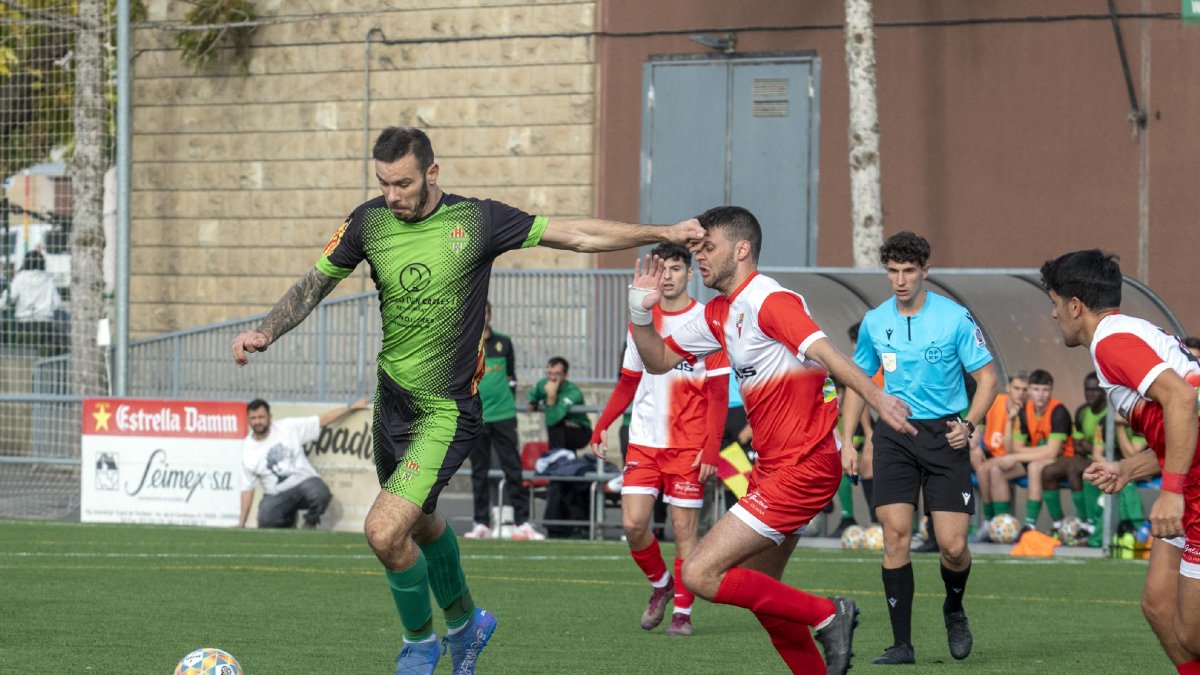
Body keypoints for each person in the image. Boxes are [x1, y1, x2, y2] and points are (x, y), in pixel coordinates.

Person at [230, 126, 705, 675]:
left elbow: (573, 234)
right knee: (423, 523)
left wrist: (662, 230)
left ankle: (420, 645)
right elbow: (316, 281)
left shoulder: (477, 220)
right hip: (392, 404)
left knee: (384, 532)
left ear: (432, 173)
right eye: (383, 183)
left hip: (445, 410)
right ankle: (468, 624)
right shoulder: (369, 221)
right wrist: (266, 331)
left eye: (403, 183)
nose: (392, 196)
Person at [626, 205, 916, 675]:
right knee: (766, 597)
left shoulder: (769, 301)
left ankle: (829, 613)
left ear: (741, 250)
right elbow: (658, 360)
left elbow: (828, 353)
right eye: (695, 248)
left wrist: (877, 398)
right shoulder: (721, 311)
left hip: (803, 466)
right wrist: (641, 312)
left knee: (700, 573)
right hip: (775, 468)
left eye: (708, 247)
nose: (698, 256)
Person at [839, 231, 998, 666]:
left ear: (926, 270)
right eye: (893, 271)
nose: (901, 280)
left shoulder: (955, 318)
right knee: (895, 535)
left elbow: (987, 380)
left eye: (909, 271)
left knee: (952, 547)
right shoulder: (875, 321)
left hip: (945, 435)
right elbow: (857, 380)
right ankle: (902, 645)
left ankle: (954, 607)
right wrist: (849, 437)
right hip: (894, 434)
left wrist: (968, 425)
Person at [1040, 249, 1200, 673]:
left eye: (1054, 304)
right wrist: (1129, 468)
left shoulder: (1112, 342)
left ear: (1075, 306)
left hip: (1192, 491)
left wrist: (1168, 493)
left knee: (1193, 634)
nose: (1054, 315)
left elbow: (1183, 400)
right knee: (1159, 605)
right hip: (1190, 485)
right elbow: (1183, 424)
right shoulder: (1126, 333)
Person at [589, 242, 727, 638]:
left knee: (684, 533)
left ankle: (683, 613)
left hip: (688, 446)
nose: (667, 276)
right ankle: (661, 585)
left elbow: (718, 393)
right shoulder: (642, 323)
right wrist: (602, 426)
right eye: (661, 268)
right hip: (644, 444)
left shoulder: (706, 322)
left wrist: (712, 449)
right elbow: (628, 382)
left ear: (689, 274)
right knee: (633, 524)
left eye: (676, 268)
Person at [463, 302, 544, 542]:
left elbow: (512, 378)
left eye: (485, 312)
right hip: (476, 417)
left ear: (490, 315)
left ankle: (523, 522)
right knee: (479, 471)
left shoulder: (504, 342)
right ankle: (480, 523)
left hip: (504, 416)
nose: (482, 316)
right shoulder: (466, 342)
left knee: (513, 469)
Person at [238, 397, 371, 529]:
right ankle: (288, 523)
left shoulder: (288, 427)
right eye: (253, 418)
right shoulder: (248, 450)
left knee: (320, 493)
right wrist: (242, 523)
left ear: (270, 416)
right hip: (275, 494)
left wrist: (351, 407)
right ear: (248, 419)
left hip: (303, 483)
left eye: (261, 417)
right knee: (266, 520)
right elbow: (247, 488)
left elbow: (321, 420)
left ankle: (310, 523)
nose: (257, 422)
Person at [1073, 371, 1148, 547]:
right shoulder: (1104, 422)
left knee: (1125, 483)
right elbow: (1098, 454)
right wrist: (1109, 467)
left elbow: (1133, 457)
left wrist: (1120, 427)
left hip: (1144, 468)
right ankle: (1093, 525)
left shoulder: (1142, 420)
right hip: (1116, 466)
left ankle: (1136, 528)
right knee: (1094, 476)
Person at [1002, 369, 1074, 532]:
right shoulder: (1024, 411)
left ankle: (1030, 524)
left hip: (1065, 458)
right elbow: (1014, 448)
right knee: (994, 469)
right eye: (1036, 390)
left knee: (1035, 467)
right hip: (1038, 457)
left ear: (1051, 391)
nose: (1040, 395)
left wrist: (1015, 456)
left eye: (1045, 390)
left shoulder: (1058, 411)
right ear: (1030, 391)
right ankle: (995, 522)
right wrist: (1010, 422)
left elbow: (1053, 452)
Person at [973, 371, 1030, 540]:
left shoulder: (1027, 411)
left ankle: (993, 521)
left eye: (1025, 390)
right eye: (1017, 388)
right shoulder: (996, 402)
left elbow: (1012, 451)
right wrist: (975, 445)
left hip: (1019, 460)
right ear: (1008, 388)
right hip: (997, 456)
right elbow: (979, 424)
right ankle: (993, 523)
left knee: (989, 470)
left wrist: (1012, 419)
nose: (1021, 393)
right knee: (975, 457)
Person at [1, 249, 63, 353]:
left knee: (24, 354)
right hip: (44, 323)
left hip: (23, 323)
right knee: (42, 353)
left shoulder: (20, 278)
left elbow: (7, 299)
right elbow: (57, 303)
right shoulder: (48, 279)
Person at [528, 356, 593, 451]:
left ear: (565, 375)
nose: (552, 378)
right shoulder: (544, 383)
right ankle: (565, 461)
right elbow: (534, 392)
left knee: (556, 425)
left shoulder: (573, 392)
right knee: (559, 428)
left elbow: (553, 419)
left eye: (557, 374)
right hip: (564, 428)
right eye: (549, 373)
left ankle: (557, 459)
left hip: (581, 430)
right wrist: (533, 401)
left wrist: (551, 396)